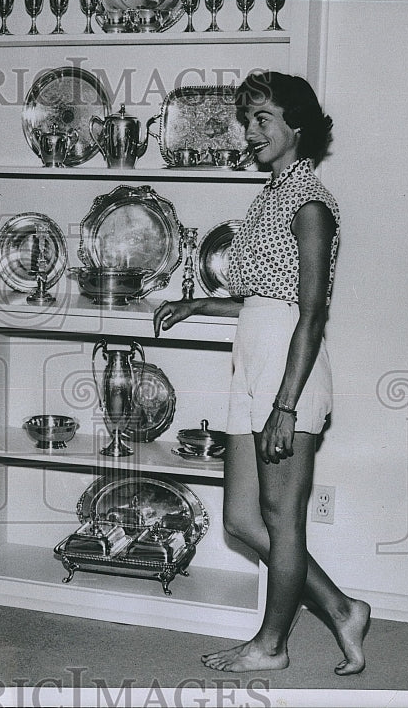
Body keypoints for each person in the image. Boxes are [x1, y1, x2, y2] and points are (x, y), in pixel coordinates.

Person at [153, 71, 370, 675]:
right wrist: (201, 302)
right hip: (252, 357)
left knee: (282, 516)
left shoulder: (310, 204)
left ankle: (271, 645)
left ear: (296, 126)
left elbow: (310, 312)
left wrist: (286, 405)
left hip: (288, 370)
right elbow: (264, 296)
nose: (251, 131)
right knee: (243, 518)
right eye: (248, 120)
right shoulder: (270, 195)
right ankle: (342, 608)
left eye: (263, 119)